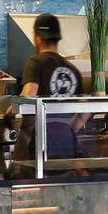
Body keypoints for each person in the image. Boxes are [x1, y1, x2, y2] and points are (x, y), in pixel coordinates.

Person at [11, 12, 84, 174]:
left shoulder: (35, 63)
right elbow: (84, 109)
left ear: (37, 38)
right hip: (66, 147)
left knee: (31, 187)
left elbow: (29, 94)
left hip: (37, 145)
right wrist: (67, 129)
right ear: (57, 38)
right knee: (58, 186)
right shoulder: (73, 69)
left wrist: (10, 112)